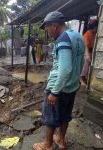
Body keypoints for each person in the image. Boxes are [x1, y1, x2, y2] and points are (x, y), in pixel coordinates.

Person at [33, 11, 85, 150]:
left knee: (50, 117)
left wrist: (54, 92)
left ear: (54, 25)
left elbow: (65, 69)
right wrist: (77, 80)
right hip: (72, 85)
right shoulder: (78, 36)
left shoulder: (63, 39)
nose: (47, 32)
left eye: (47, 28)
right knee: (65, 115)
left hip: (59, 86)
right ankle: (61, 140)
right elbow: (80, 62)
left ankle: (47, 144)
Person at [80, 19, 98, 86]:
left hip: (90, 51)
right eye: (96, 27)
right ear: (94, 27)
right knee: (85, 66)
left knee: (87, 67)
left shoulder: (93, 34)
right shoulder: (87, 34)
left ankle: (84, 78)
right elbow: (86, 46)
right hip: (86, 51)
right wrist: (87, 55)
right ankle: (81, 79)